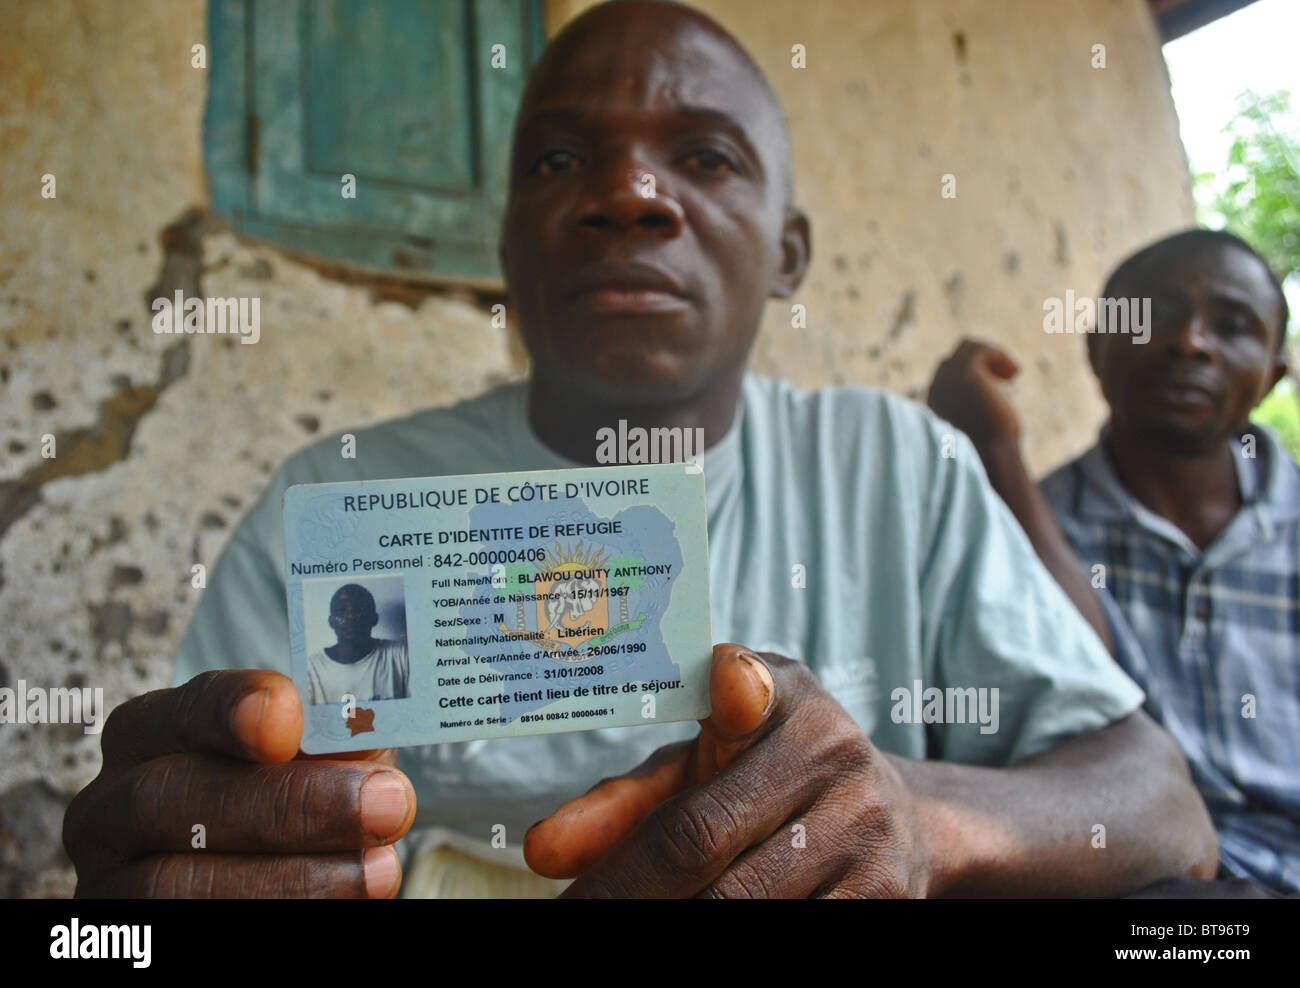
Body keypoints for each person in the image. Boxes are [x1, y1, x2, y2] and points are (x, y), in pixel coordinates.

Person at [63, 0, 1218, 899]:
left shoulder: (896, 469)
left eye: (707, 158)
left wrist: (920, 817)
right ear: (507, 243)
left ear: (788, 254)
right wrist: (159, 876)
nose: (629, 194)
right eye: (560, 161)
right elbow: (204, 836)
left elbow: (1159, 802)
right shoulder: (338, 498)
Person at [928, 229, 1297, 896]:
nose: (1190, 341)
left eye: (1233, 325)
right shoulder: (1023, 527)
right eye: (1156, 312)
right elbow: (1082, 694)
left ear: (1272, 374)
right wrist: (995, 451)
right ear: (1096, 346)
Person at [307, 584, 409, 705]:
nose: (350, 617)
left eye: (359, 610)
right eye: (341, 611)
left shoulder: (401, 655)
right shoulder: (311, 668)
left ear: (374, 619)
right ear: (331, 621)